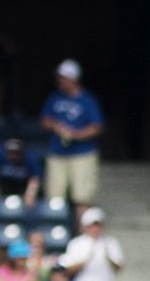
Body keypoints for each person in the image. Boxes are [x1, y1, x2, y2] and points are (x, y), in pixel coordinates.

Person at [40, 60, 103, 208]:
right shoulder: (54, 97)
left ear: (73, 79)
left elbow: (97, 126)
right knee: (54, 198)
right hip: (57, 152)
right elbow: (44, 120)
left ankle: (82, 230)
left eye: (62, 78)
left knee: (82, 198)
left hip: (82, 153)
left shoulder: (87, 100)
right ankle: (56, 230)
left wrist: (77, 134)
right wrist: (57, 126)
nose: (59, 81)